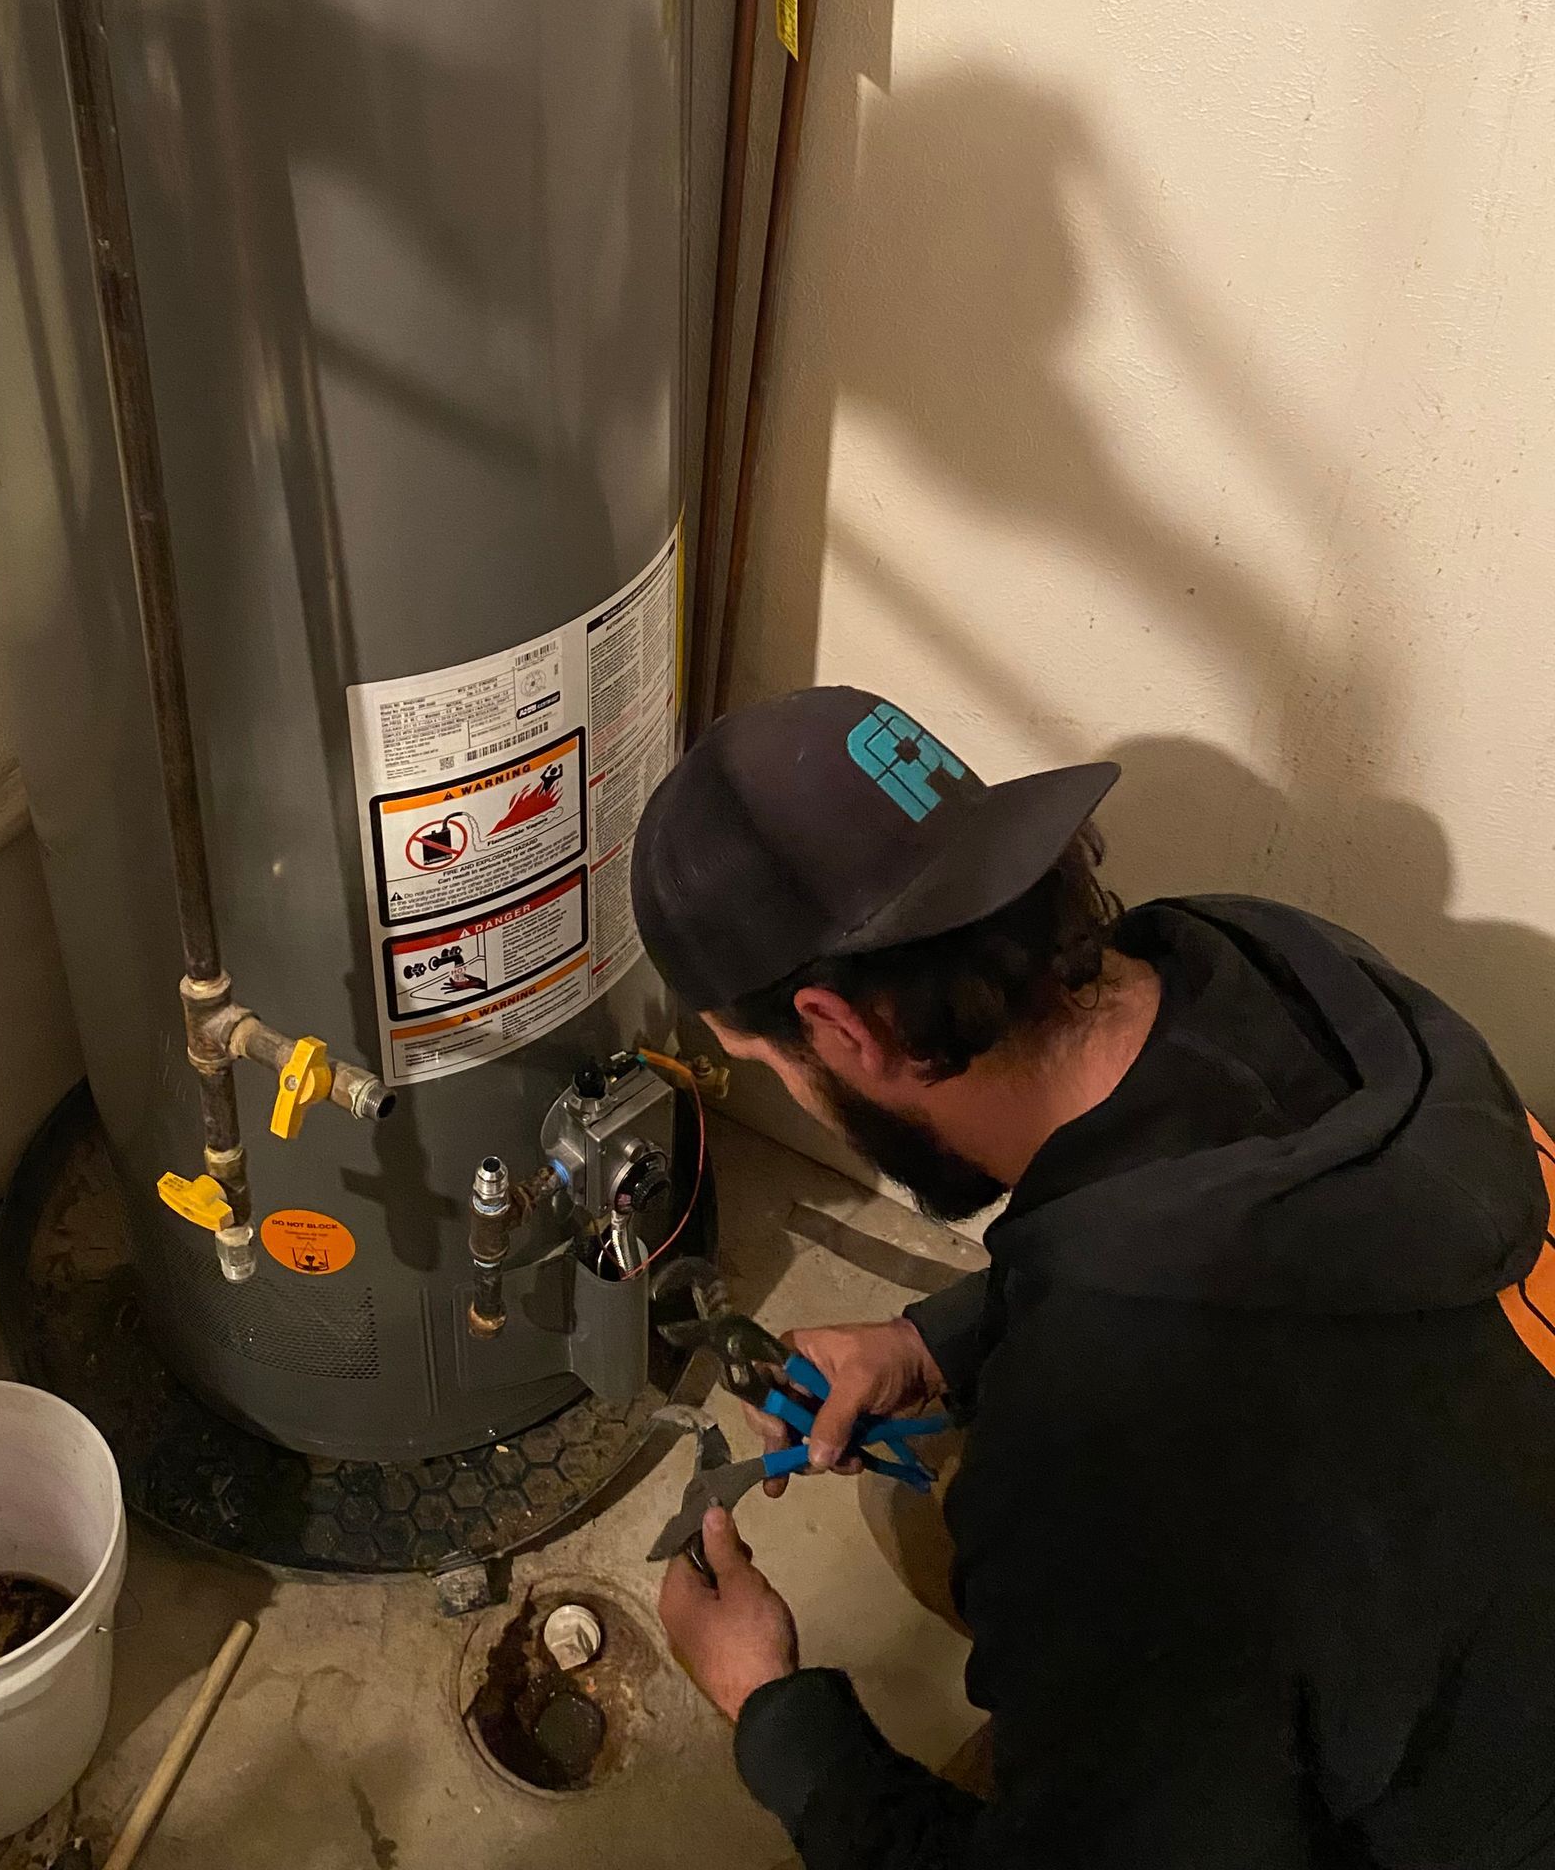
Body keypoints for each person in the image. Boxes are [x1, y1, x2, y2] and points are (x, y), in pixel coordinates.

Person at [629, 686, 1555, 1868]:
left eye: (765, 1064)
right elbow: (1194, 1207)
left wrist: (773, 1716)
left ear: (841, 1030)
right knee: (935, 1520)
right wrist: (929, 1346)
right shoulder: (1270, 963)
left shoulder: (1109, 1475)